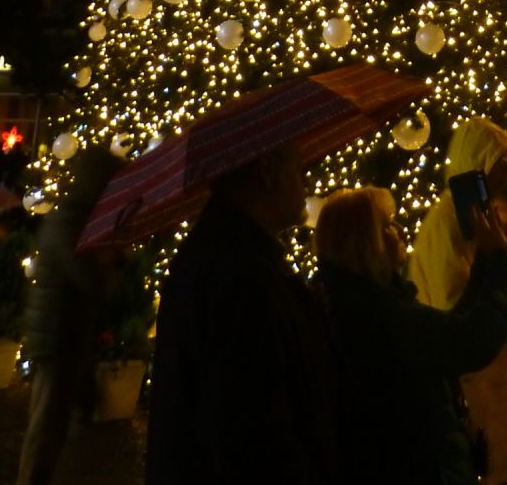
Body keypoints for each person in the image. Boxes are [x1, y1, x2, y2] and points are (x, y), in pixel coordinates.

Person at [146, 139, 337, 485]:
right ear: (266, 172)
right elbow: (253, 427)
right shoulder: (243, 274)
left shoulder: (224, 254)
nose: (305, 182)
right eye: (297, 169)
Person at [317, 185, 507, 485]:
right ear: (363, 242)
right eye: (387, 224)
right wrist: (504, 261)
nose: (400, 230)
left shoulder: (367, 302)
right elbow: (471, 340)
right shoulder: (378, 314)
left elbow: (445, 331)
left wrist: (485, 264)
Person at [411, 118, 507, 485]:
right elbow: (455, 308)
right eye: (500, 162)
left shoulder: (477, 214)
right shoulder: (450, 221)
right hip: (472, 382)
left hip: (489, 378)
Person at [17, 145, 122, 485]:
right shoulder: (71, 221)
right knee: (46, 427)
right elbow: (88, 279)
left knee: (56, 423)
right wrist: (111, 261)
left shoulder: (77, 217)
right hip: (57, 337)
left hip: (66, 334)